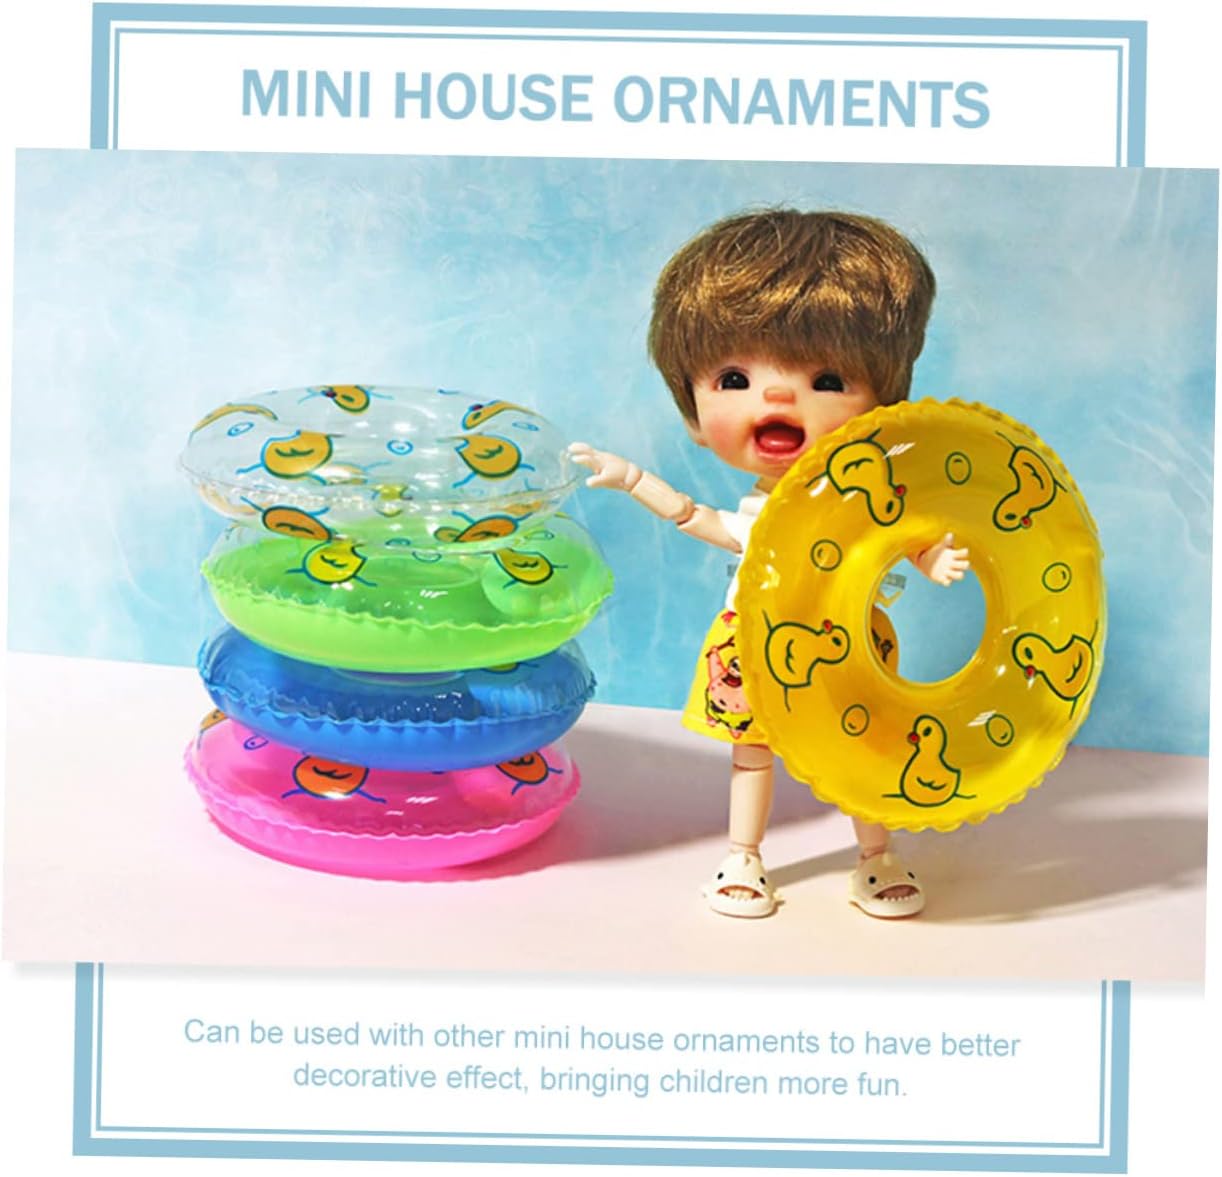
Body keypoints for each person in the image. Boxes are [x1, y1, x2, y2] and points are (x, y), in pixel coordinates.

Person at [570, 208, 969, 920]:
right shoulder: (758, 514)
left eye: (828, 378)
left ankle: (876, 856)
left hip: (850, 645)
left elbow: (896, 535)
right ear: (693, 413)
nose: (779, 396)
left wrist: (931, 553)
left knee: (862, 749)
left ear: (884, 406)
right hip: (753, 644)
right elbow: (697, 518)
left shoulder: (862, 501)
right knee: (752, 751)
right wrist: (632, 479)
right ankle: (743, 855)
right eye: (734, 378)